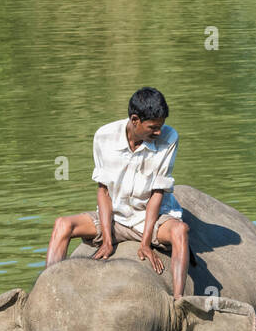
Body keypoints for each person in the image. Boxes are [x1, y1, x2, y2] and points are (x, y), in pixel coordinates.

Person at [45, 87, 191, 299]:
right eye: (153, 128)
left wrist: (145, 244)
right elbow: (103, 191)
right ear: (134, 120)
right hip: (116, 219)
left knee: (180, 231)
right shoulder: (104, 137)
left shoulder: (169, 137)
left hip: (149, 219)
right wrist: (106, 239)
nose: (158, 132)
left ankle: (179, 303)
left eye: (160, 127)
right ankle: (48, 293)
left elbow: (157, 195)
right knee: (62, 224)